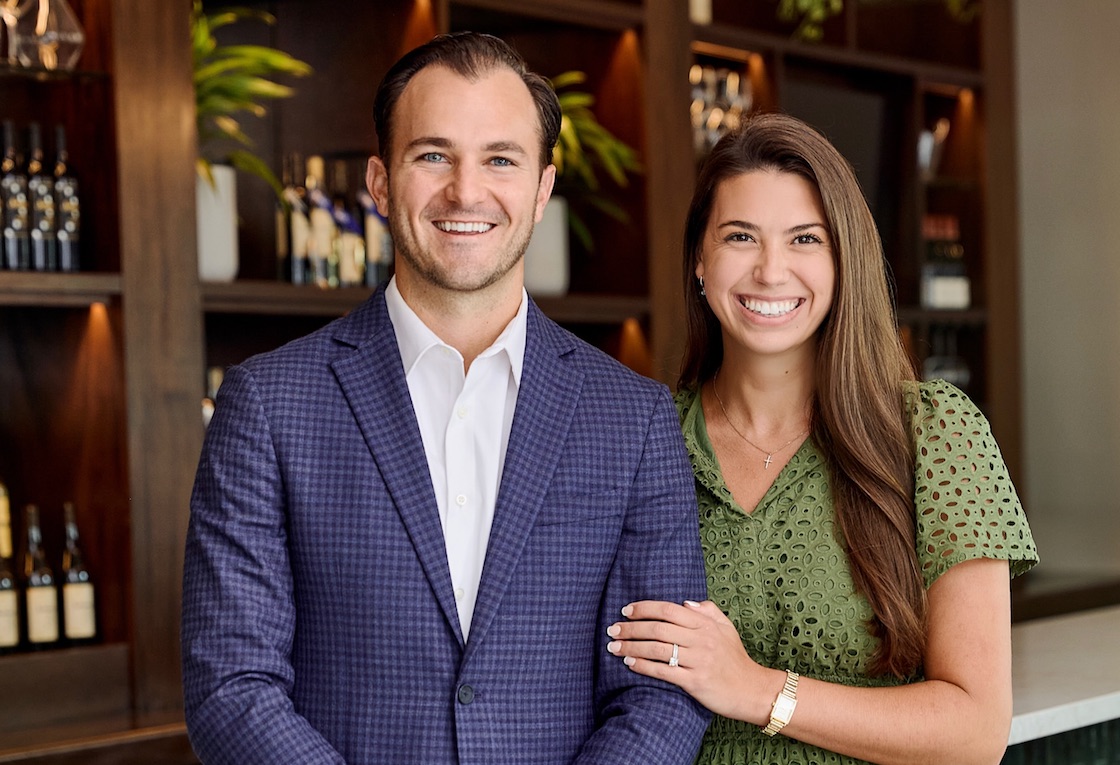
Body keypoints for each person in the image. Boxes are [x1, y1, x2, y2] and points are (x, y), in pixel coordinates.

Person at [181, 32, 710, 765]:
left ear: (542, 189)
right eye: (432, 155)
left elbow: (660, 688)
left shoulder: (636, 417)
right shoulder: (267, 406)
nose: (467, 191)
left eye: (500, 159)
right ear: (380, 181)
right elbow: (231, 687)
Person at [603, 113, 1039, 765]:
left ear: (843, 260)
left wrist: (755, 689)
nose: (771, 270)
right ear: (700, 257)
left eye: (805, 238)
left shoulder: (934, 434)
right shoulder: (641, 440)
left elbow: (975, 730)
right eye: (741, 236)